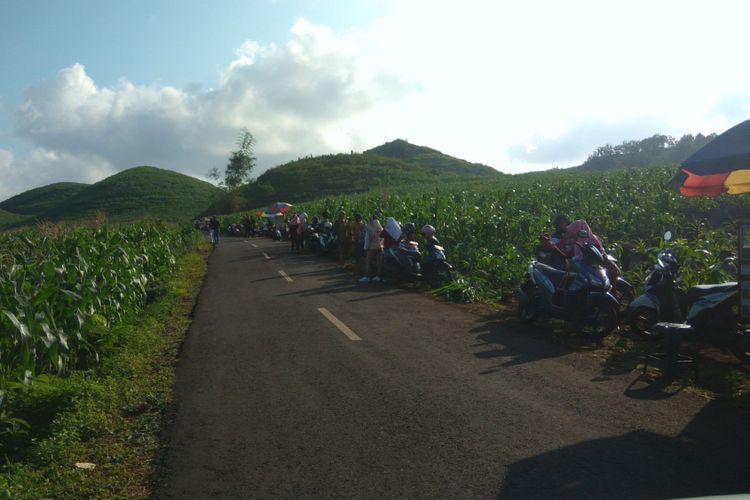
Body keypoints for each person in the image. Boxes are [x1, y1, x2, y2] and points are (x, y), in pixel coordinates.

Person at [359, 215, 383, 282]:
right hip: (380, 247)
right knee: (379, 262)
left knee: (368, 261)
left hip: (372, 247)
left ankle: (367, 276)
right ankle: (378, 276)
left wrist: (365, 248)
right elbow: (382, 238)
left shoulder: (370, 227)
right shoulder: (380, 227)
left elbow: (367, 239)